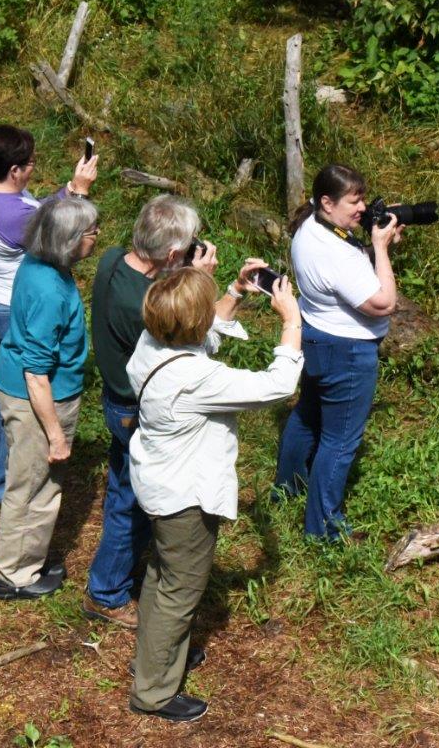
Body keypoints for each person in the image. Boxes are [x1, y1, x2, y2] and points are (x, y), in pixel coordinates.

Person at [83, 194, 270, 629]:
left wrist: (229, 289)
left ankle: (112, 582)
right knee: (132, 502)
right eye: (187, 249)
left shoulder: (113, 260)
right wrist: (196, 283)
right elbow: (195, 335)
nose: (194, 253)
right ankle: (107, 592)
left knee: (123, 489)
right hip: (138, 412)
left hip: (116, 400)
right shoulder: (146, 305)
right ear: (172, 255)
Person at [127, 268, 303, 722]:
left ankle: (157, 657)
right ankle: (154, 692)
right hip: (184, 498)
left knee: (161, 576)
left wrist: (234, 293)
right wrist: (291, 324)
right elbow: (276, 386)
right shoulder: (194, 379)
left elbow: (201, 339)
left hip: (157, 483)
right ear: (195, 322)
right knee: (179, 590)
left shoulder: (152, 345)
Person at [0, 124, 97, 505]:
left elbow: (39, 210)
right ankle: (3, 487)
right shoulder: (16, 214)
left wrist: (69, 190)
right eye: (30, 163)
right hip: (11, 305)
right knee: (22, 392)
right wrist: (80, 194)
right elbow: (53, 230)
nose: (34, 167)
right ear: (15, 171)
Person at [274, 164, 402, 540]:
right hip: (347, 352)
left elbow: (344, 264)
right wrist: (379, 248)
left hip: (316, 336)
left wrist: (374, 249)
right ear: (327, 202)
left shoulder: (309, 227)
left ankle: (288, 489)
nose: (362, 207)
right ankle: (323, 530)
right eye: (355, 200)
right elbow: (383, 303)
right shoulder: (336, 252)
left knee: (308, 415)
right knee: (340, 440)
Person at [0, 197, 99, 600]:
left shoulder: (38, 264)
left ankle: (26, 557)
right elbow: (37, 374)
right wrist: (55, 434)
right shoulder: (51, 290)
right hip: (39, 399)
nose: (96, 236)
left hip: (22, 388)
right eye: (91, 232)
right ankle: (16, 575)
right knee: (35, 485)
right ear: (69, 240)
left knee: (30, 479)